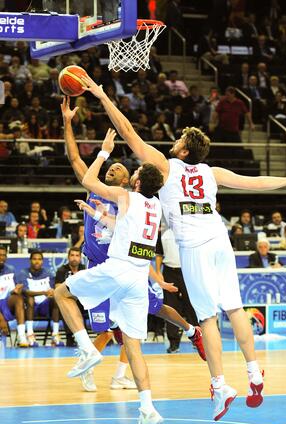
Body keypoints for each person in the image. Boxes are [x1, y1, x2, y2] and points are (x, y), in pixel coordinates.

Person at [81, 73, 286, 421]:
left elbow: (127, 132)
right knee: (236, 309)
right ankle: (255, 372)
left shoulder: (166, 167)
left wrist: (101, 96)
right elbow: (253, 183)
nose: (176, 139)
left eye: (180, 138)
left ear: (183, 150)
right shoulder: (212, 172)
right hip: (220, 239)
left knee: (209, 318)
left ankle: (220, 385)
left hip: (195, 246)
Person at [60, 97, 205, 393]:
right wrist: (67, 122)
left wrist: (157, 278)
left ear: (129, 180)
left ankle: (187, 334)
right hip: (105, 265)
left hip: (122, 268)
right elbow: (76, 160)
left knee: (153, 312)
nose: (110, 171)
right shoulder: (110, 198)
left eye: (116, 170)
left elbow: (141, 246)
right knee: (112, 328)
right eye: (109, 169)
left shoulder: (128, 199)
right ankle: (106, 369)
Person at [55, 129, 165, 424]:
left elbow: (89, 181)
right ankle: (148, 409)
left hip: (118, 269)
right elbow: (122, 227)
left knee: (61, 292)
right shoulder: (154, 207)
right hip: (137, 278)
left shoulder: (126, 195)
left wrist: (103, 152)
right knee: (133, 347)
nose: (133, 173)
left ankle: (87, 350)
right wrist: (96, 215)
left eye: (137, 172)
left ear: (138, 182)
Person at [17, 250, 63, 347]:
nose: (37, 261)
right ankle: (30, 334)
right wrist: (44, 292)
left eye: (39, 259)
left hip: (45, 305)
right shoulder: (23, 273)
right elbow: (26, 292)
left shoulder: (48, 273)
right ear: (30, 261)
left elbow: (52, 290)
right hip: (30, 307)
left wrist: (51, 293)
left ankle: (55, 334)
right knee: (30, 298)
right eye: (34, 259)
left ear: (42, 261)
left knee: (56, 298)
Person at [55, 247, 86, 348]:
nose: (74, 258)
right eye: (72, 255)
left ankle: (103, 332)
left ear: (80, 258)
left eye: (77, 256)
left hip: (82, 299)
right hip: (69, 298)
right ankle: (70, 336)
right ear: (68, 257)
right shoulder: (62, 270)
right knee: (67, 303)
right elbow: (57, 288)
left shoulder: (84, 269)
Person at [0, 245, 28, 347]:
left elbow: (16, 289)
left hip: (6, 303)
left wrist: (17, 290)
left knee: (18, 298)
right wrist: (1, 319)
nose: (1, 257)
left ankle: (22, 337)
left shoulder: (11, 270)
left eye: (3, 255)